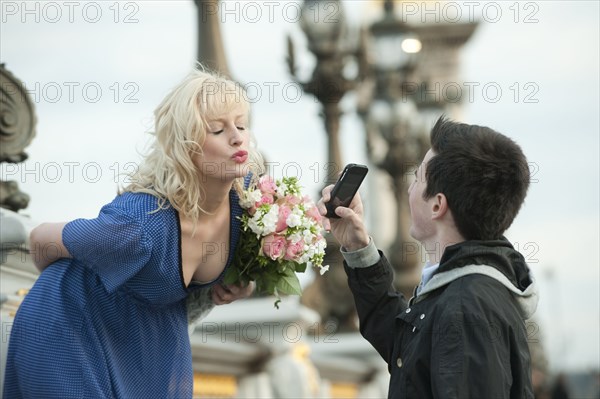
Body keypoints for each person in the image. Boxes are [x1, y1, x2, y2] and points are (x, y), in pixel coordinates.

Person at [3, 67, 264, 398]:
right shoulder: (138, 227)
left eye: (241, 124)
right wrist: (64, 297)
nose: (237, 137)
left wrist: (231, 287)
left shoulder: (247, 204)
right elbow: (40, 238)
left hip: (148, 341)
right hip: (65, 332)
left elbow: (179, 287)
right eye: (217, 129)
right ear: (186, 147)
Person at [318, 117, 538, 398]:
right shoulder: (468, 291)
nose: (409, 189)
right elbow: (406, 348)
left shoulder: (464, 308)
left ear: (437, 205)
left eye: (417, 178)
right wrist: (358, 248)